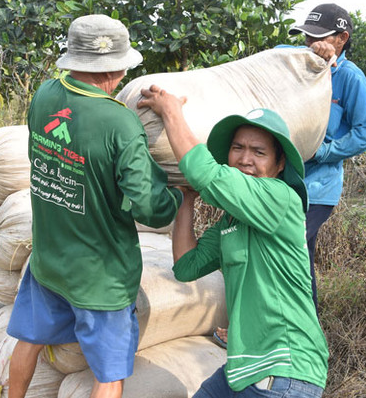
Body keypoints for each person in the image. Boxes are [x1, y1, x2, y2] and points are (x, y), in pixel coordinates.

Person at [6, 15, 182, 398]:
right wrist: (179, 196)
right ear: (116, 67)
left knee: (29, 342)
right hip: (101, 277)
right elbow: (151, 209)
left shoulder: (45, 95)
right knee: (109, 374)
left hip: (50, 259)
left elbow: (42, 157)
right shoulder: (120, 123)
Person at [138, 86, 329, 398]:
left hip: (284, 368)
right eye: (238, 148)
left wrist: (171, 111)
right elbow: (186, 266)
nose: (245, 159)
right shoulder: (231, 222)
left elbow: (204, 172)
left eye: (259, 152)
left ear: (280, 165)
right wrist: (186, 199)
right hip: (243, 369)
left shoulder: (282, 199)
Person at [287, 3, 366, 313]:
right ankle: (308, 328)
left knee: (285, 247)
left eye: (318, 37)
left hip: (316, 188)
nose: (310, 44)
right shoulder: (297, 63)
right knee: (302, 257)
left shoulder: (350, 79)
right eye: (306, 38)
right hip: (285, 182)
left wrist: (324, 150)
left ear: (342, 37)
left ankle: (277, 330)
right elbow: (275, 53)